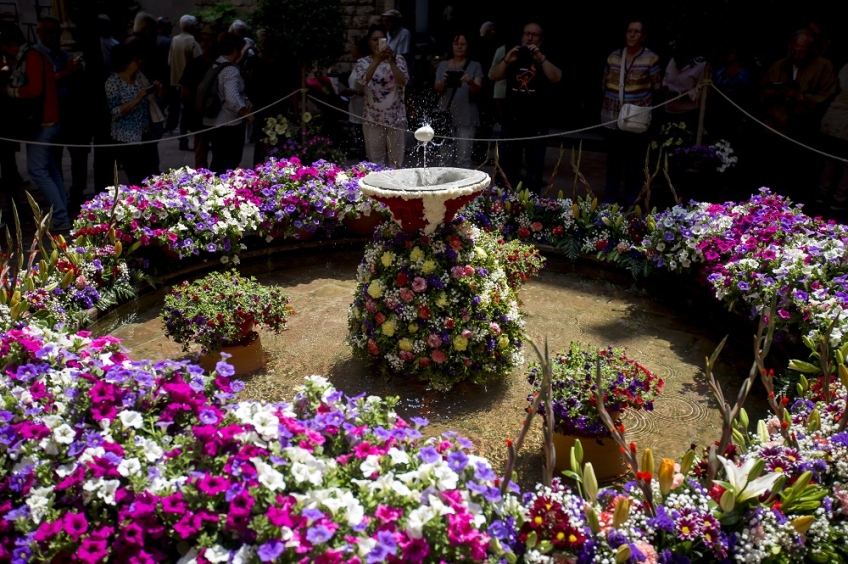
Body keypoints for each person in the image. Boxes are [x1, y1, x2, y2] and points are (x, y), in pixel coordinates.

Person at [0, 22, 69, 230]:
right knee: (50, 169)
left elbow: (34, 89)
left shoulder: (31, 57)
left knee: (37, 170)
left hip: (44, 121)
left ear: (11, 44)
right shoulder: (32, 55)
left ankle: (60, 216)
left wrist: (10, 91)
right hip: (47, 120)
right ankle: (61, 211)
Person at [760, 28, 837, 199]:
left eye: (800, 53)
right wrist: (773, 92)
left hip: (803, 132)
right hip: (774, 128)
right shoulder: (780, 65)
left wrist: (800, 97)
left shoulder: (823, 67)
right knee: (771, 176)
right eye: (793, 51)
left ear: (811, 50)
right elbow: (762, 89)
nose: (796, 56)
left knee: (796, 181)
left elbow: (826, 97)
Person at [489, 21, 562, 194]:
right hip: (512, 120)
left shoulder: (544, 56)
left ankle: (531, 205)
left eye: (534, 35)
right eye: (526, 33)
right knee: (507, 166)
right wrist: (507, 59)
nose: (529, 37)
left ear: (541, 39)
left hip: (537, 121)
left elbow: (556, 77)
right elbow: (494, 75)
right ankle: (505, 202)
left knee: (534, 168)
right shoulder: (512, 54)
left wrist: (541, 59)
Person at [599, 18, 661, 205]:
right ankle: (610, 199)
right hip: (612, 118)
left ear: (643, 36)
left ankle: (633, 201)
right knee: (613, 163)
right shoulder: (614, 57)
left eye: (637, 32)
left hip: (636, 119)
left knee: (635, 163)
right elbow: (604, 83)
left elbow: (656, 87)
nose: (632, 35)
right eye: (629, 31)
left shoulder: (651, 58)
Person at [35, 16, 88, 218]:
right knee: (52, 160)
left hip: (70, 113)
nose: (54, 36)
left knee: (78, 155)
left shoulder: (62, 54)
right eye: (49, 31)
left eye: (56, 32)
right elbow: (45, 81)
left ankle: (76, 193)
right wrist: (67, 71)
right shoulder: (37, 55)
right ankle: (59, 200)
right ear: (40, 32)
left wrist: (74, 70)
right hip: (49, 115)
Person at [352, 24, 409, 168]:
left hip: (396, 117)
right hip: (373, 118)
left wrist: (391, 61)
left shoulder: (399, 59)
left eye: (381, 39)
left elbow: (403, 81)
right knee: (375, 163)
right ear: (368, 42)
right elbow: (363, 80)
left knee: (396, 162)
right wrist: (377, 60)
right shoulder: (363, 62)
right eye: (374, 40)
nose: (378, 43)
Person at [105, 43, 161, 186]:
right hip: (127, 138)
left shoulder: (140, 77)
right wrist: (136, 99)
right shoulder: (113, 82)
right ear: (126, 62)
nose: (139, 62)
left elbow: (151, 100)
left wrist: (156, 92)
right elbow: (115, 111)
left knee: (153, 174)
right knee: (136, 177)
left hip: (145, 133)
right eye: (135, 59)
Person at [202, 32, 251, 174]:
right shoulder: (230, 70)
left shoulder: (217, 63)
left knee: (218, 160)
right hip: (229, 123)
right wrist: (245, 113)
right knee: (228, 162)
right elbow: (231, 98)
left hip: (215, 122)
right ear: (235, 50)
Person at [434, 32, 483, 168]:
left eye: (463, 44)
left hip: (467, 115)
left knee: (464, 158)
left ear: (468, 46)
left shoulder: (475, 66)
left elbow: (478, 90)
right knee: (444, 158)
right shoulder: (443, 65)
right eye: (456, 44)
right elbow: (437, 88)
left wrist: (470, 81)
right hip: (446, 114)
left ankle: (463, 188)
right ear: (451, 45)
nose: (459, 47)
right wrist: (444, 80)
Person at [179, 25, 215, 170]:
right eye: (202, 40)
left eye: (209, 40)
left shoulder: (220, 63)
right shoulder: (194, 64)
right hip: (199, 116)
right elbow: (185, 91)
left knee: (220, 153)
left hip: (218, 115)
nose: (205, 44)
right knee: (200, 153)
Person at [817, 64, 848, 209]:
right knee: (839, 159)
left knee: (833, 158)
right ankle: (838, 198)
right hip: (841, 118)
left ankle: (825, 194)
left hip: (834, 117)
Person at [169, 15, 201, 150]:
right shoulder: (192, 41)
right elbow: (200, 61)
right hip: (191, 83)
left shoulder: (175, 40)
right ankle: (196, 141)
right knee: (193, 112)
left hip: (177, 82)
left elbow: (169, 61)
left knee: (183, 112)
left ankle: (183, 139)